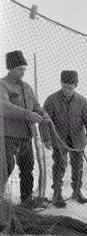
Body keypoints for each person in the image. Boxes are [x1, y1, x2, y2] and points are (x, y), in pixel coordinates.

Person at [40, 70, 87, 208]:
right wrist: (46, 138)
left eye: (70, 87)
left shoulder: (82, 101)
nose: (66, 90)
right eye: (64, 86)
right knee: (59, 165)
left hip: (77, 140)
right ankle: (57, 194)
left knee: (78, 167)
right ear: (61, 83)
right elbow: (44, 121)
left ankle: (76, 192)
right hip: (59, 140)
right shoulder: (51, 100)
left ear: (76, 85)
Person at [0, 50, 46, 207]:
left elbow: (36, 106)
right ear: (11, 68)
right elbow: (4, 107)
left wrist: (42, 113)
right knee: (5, 167)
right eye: (20, 69)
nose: (23, 72)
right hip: (8, 135)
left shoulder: (27, 87)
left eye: (24, 69)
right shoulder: (2, 85)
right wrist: (28, 114)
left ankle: (26, 200)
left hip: (26, 136)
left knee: (27, 169)